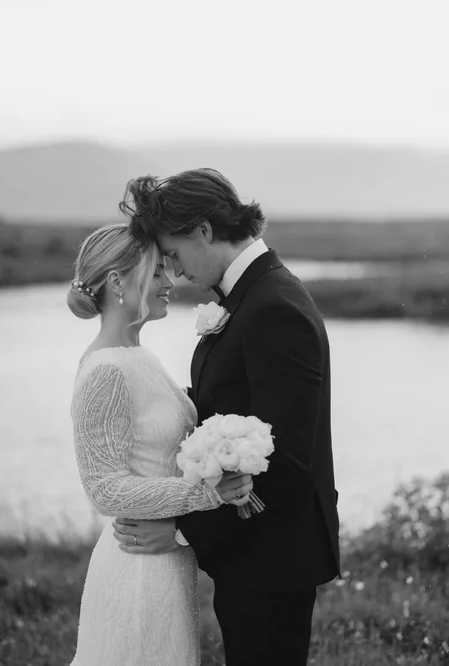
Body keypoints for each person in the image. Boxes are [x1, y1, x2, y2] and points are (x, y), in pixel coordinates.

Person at [115, 170, 341, 666]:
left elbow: (287, 460)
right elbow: (228, 401)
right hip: (253, 553)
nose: (173, 271)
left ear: (202, 229)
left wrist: (181, 530)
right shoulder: (249, 298)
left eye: (172, 253)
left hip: (274, 556)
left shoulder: (273, 307)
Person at [67, 223, 253, 666]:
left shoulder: (138, 356)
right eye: (155, 272)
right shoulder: (106, 371)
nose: (169, 281)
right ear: (117, 282)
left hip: (165, 560)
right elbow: (105, 489)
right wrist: (208, 493)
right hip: (138, 570)